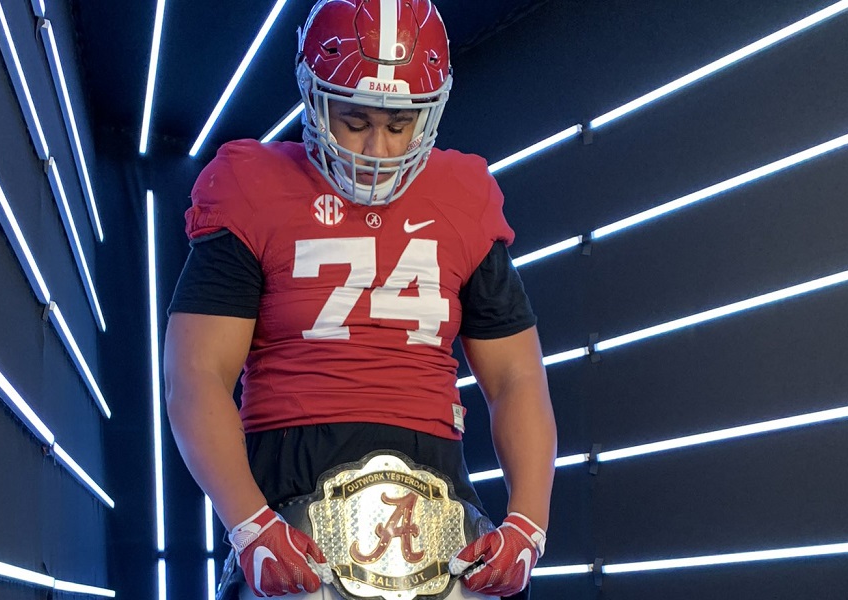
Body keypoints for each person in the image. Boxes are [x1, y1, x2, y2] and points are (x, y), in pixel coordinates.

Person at [164, 1, 557, 599]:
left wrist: (528, 522)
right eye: (355, 120)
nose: (377, 148)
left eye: (399, 125)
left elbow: (517, 377)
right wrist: (248, 520)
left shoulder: (463, 193)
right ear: (314, 100)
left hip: (436, 482)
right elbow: (195, 374)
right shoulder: (251, 183)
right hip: (291, 468)